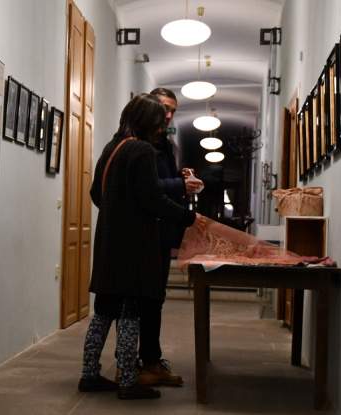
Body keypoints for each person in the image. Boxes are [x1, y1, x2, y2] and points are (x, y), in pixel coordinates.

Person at [78, 93, 200, 400]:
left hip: (108, 240)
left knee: (104, 310)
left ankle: (89, 375)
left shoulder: (112, 147)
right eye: (158, 122)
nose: (161, 128)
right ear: (147, 122)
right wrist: (188, 217)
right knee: (131, 312)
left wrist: (117, 210)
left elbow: (96, 193)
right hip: (134, 244)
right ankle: (128, 381)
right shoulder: (142, 150)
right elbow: (152, 199)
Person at [124, 88, 204, 387]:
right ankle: (130, 365)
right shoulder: (137, 144)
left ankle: (150, 360)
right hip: (141, 232)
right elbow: (148, 189)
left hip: (160, 231)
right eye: (163, 108)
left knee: (154, 299)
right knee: (137, 301)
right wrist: (180, 187)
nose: (168, 115)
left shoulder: (164, 144)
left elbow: (158, 183)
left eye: (173, 110)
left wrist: (180, 178)